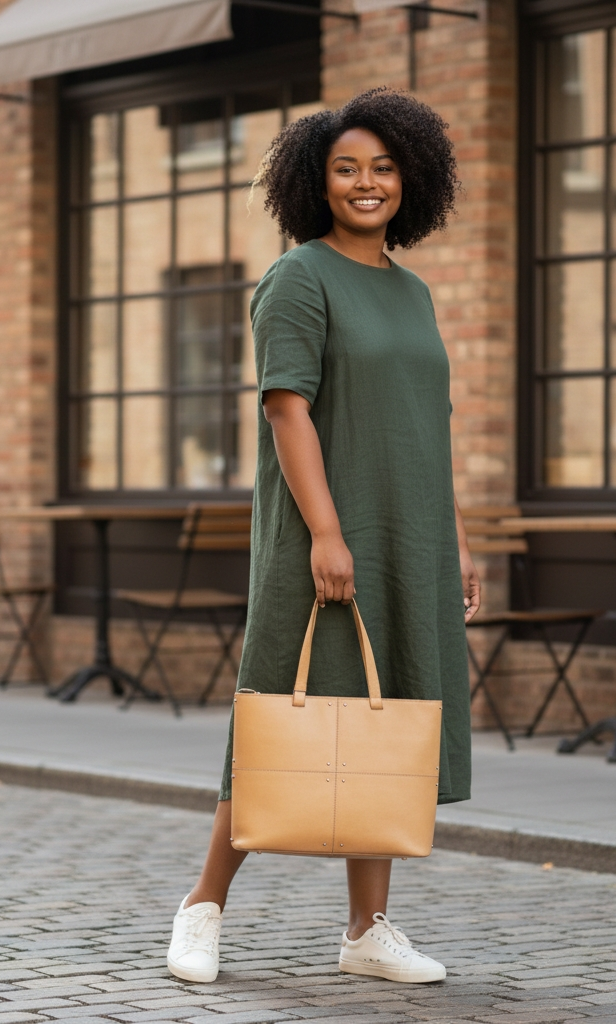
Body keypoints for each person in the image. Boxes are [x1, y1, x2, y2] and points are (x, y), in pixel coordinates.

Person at [166, 87, 479, 986]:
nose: (366, 183)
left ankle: (367, 930)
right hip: (326, 536)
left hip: (409, 537)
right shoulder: (298, 276)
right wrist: (327, 532)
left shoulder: (412, 291)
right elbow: (287, 410)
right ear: (317, 180)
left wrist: (451, 540)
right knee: (279, 720)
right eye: (346, 168)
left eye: (382, 167)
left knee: (381, 724)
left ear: (411, 177)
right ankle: (202, 906)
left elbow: (428, 426)